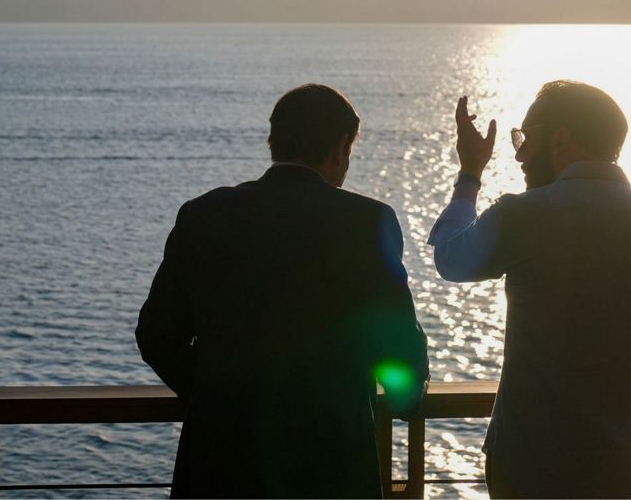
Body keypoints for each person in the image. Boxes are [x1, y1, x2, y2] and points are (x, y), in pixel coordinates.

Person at [137, 83, 429, 499]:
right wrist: (406, 397)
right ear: (341, 146)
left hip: (219, 467)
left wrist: (217, 397)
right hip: (331, 468)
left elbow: (155, 335)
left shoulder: (203, 215)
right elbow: (399, 353)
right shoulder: (366, 223)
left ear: (273, 141)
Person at [429, 81, 631, 498]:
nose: (518, 152)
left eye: (525, 138)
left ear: (561, 139)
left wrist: (470, 173)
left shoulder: (522, 217)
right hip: (623, 469)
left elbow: (451, 260)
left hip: (528, 468)